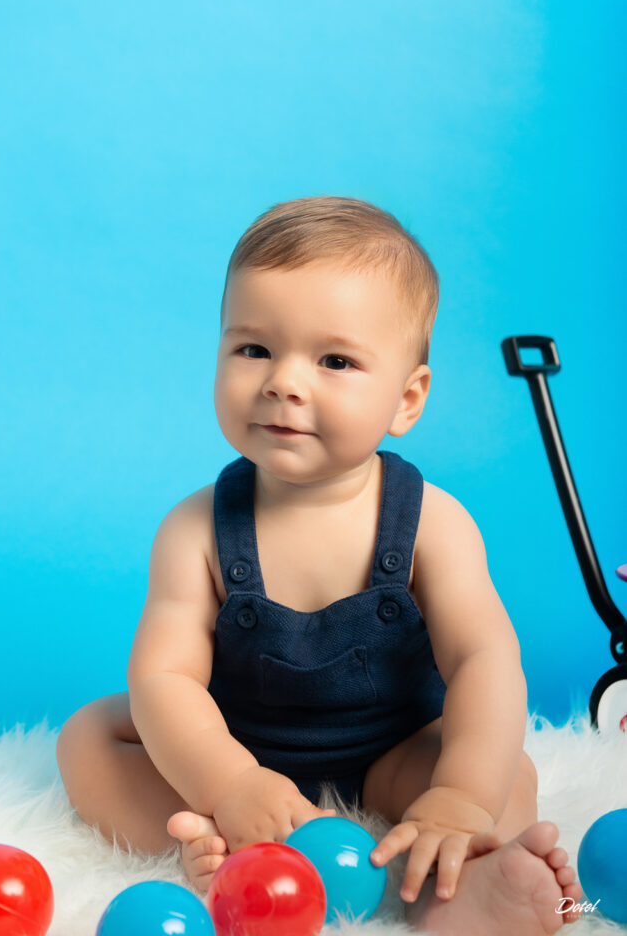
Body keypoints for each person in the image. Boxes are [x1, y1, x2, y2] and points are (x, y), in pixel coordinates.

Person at [57, 196, 583, 933]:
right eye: (254, 349)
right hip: (234, 742)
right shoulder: (194, 529)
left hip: (391, 751)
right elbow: (164, 678)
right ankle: (215, 849)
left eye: (334, 361)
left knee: (505, 773)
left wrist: (461, 794)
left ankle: (446, 876)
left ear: (406, 399)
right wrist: (229, 780)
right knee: (89, 739)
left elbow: (483, 660)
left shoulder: (434, 521)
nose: (284, 382)